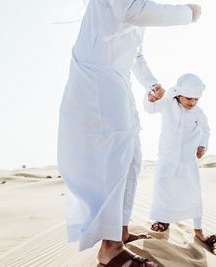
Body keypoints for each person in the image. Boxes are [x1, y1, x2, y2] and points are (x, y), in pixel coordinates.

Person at [57, 0, 202, 266]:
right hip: (96, 76)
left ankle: (119, 233)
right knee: (115, 157)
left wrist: (152, 83)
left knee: (132, 156)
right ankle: (109, 248)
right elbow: (130, 11)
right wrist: (186, 13)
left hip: (118, 79)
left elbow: (135, 53)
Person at [144, 73, 216, 256]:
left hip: (187, 161)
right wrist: (150, 99)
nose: (192, 102)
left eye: (196, 99)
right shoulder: (168, 103)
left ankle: (198, 230)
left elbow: (206, 130)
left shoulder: (198, 113)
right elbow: (150, 108)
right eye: (189, 98)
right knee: (163, 189)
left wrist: (202, 144)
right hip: (166, 158)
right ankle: (163, 220)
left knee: (193, 193)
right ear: (179, 94)